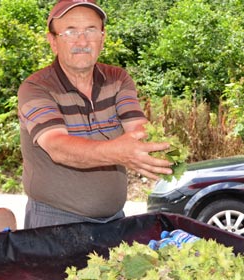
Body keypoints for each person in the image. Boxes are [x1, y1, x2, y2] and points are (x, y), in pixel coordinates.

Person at [17, 0, 172, 229]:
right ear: (53, 41)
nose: (82, 41)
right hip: (54, 221)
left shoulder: (118, 78)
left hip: (114, 218)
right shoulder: (35, 87)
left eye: (91, 30)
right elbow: (57, 147)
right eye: (70, 31)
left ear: (102, 38)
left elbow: (137, 127)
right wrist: (120, 152)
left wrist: (151, 152)